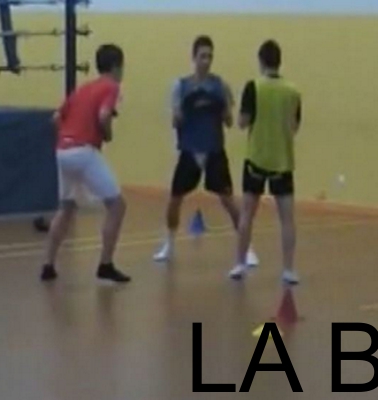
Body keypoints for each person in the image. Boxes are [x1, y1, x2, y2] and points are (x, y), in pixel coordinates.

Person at [153, 35, 259, 265]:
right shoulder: (181, 86)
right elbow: (175, 120)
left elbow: (229, 121)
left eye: (210, 56)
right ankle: (168, 245)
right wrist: (188, 108)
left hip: (214, 150)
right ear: (194, 58)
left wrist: (221, 108)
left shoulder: (220, 86)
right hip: (190, 150)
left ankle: (247, 248)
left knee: (228, 201)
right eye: (202, 56)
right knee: (175, 199)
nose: (206, 61)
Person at [40, 44, 130, 282]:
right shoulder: (111, 87)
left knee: (66, 207)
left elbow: (56, 118)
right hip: (83, 151)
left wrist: (66, 137)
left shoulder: (83, 88)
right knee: (117, 206)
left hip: (63, 151)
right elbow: (103, 115)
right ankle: (106, 264)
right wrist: (107, 133)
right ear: (116, 66)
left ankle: (48, 265)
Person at [229, 40, 302, 284]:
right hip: (282, 161)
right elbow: (294, 127)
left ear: (260, 61)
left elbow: (242, 123)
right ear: (279, 61)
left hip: (256, 160)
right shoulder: (293, 92)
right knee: (287, 219)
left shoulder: (253, 87)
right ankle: (289, 270)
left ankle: (240, 264)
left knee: (247, 215)